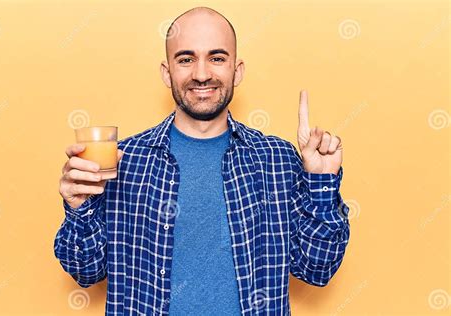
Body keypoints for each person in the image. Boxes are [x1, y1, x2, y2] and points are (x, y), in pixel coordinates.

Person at [54, 6, 350, 316]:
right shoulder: (123, 161)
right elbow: (85, 271)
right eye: (186, 59)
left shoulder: (277, 159)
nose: (202, 73)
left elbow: (317, 269)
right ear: (167, 73)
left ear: (237, 71)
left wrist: (321, 182)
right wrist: (79, 207)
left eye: (217, 58)